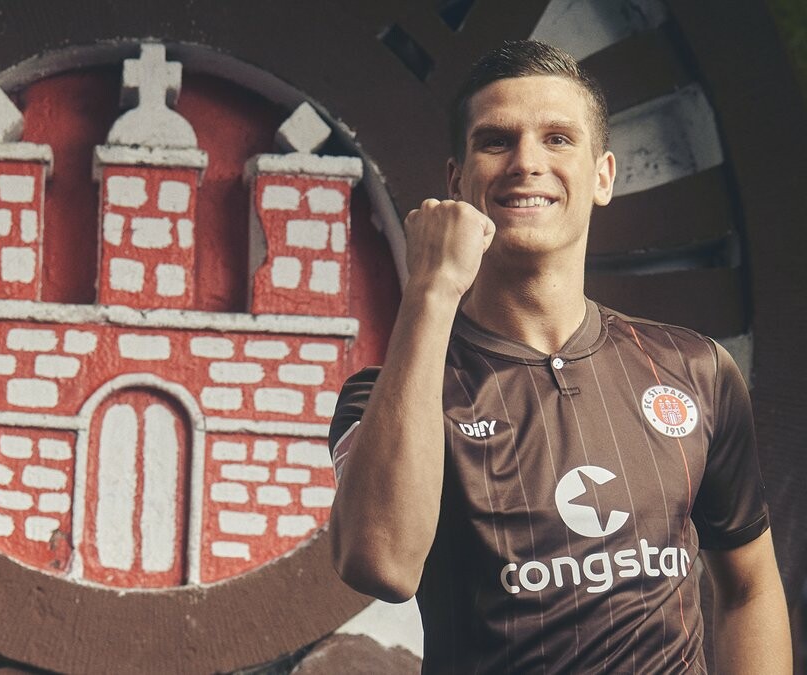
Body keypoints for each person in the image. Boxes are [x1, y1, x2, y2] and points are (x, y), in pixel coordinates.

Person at [327, 40, 792, 672]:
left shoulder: (697, 370)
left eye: (557, 139)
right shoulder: (384, 397)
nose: (526, 162)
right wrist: (431, 288)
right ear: (457, 182)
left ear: (603, 176)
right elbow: (382, 564)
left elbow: (749, 589)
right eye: (496, 141)